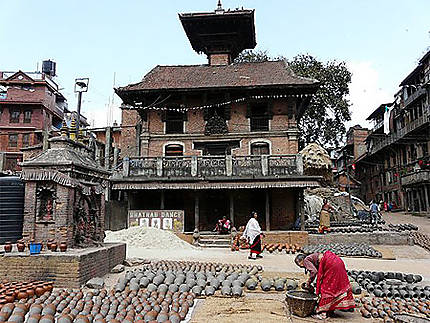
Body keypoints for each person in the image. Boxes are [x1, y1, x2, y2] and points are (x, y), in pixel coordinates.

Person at [294, 252, 355, 320]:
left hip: (331, 265)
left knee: (326, 288)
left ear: (300, 261)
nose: (301, 266)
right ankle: (331, 309)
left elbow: (314, 271)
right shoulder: (312, 257)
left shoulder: (306, 260)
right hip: (338, 262)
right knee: (335, 287)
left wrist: (308, 282)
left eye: (299, 265)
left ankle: (323, 313)